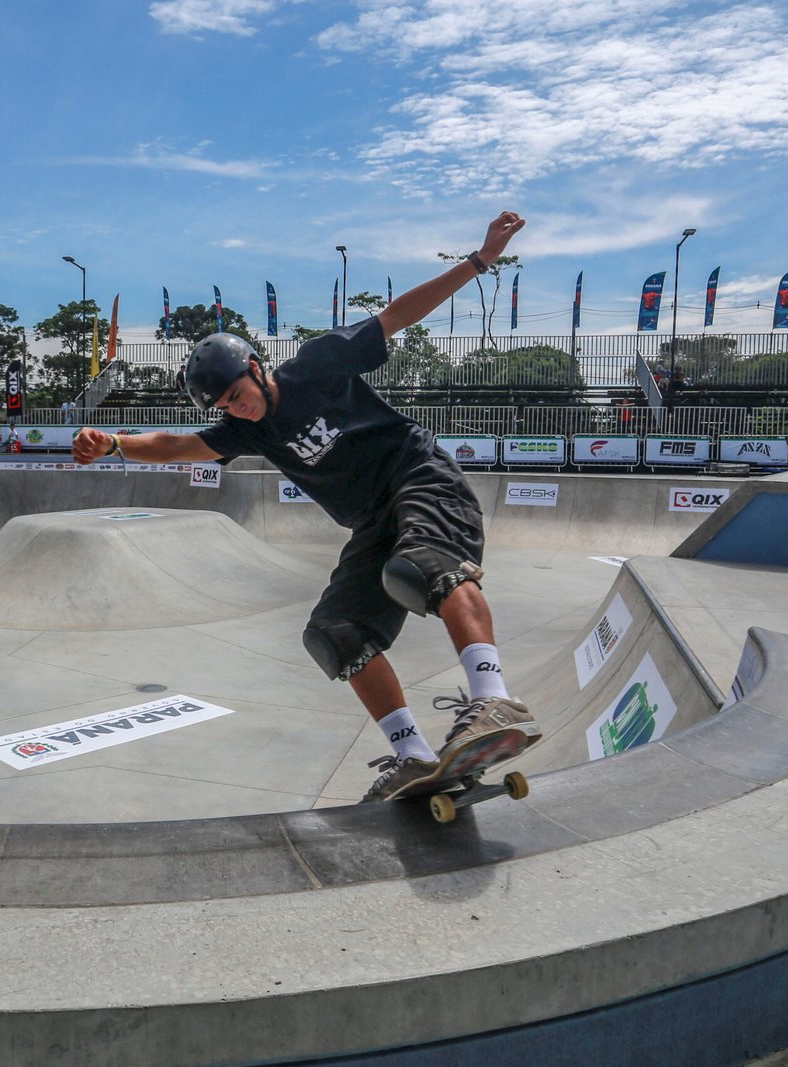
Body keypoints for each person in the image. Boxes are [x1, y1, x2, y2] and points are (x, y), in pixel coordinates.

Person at [72, 210, 537, 803]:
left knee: (422, 567)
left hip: (418, 476)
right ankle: (414, 757)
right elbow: (178, 444)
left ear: (257, 369)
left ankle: (492, 698)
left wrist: (479, 261)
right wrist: (114, 443)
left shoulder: (318, 365)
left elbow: (398, 316)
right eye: (226, 407)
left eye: (239, 396)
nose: (238, 411)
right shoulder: (244, 432)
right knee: (334, 634)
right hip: (372, 520)